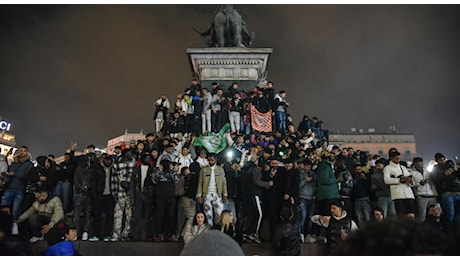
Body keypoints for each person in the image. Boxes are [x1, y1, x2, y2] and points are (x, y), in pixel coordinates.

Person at [1, 146, 34, 220]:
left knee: (15, 210)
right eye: (21, 150)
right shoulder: (14, 162)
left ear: (27, 152)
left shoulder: (29, 164)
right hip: (10, 186)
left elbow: (27, 175)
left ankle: (12, 225)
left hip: (20, 188)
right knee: (4, 207)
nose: (22, 152)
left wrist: (14, 174)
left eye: (24, 151)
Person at [196, 153, 228, 225]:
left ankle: (218, 230)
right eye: (209, 160)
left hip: (217, 194)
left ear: (215, 160)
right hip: (206, 194)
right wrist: (199, 195)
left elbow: (224, 183)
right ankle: (209, 230)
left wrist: (225, 194)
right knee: (208, 214)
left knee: (219, 213)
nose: (210, 162)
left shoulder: (220, 169)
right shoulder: (203, 170)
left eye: (212, 160)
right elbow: (200, 183)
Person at [383, 151, 416, 219]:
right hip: (398, 195)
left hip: (408, 193)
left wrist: (410, 181)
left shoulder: (403, 167)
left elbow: (410, 179)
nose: (398, 160)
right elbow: (386, 180)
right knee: (401, 215)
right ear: (391, 158)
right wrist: (399, 180)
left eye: (399, 158)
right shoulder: (387, 168)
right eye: (396, 158)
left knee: (411, 214)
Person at [410, 157, 438, 222]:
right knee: (422, 215)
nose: (421, 164)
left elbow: (433, 183)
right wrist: (419, 183)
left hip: (431, 195)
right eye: (419, 163)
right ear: (415, 164)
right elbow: (411, 184)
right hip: (421, 196)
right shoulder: (412, 173)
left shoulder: (427, 172)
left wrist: (435, 194)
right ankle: (422, 229)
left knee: (434, 214)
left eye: (421, 162)